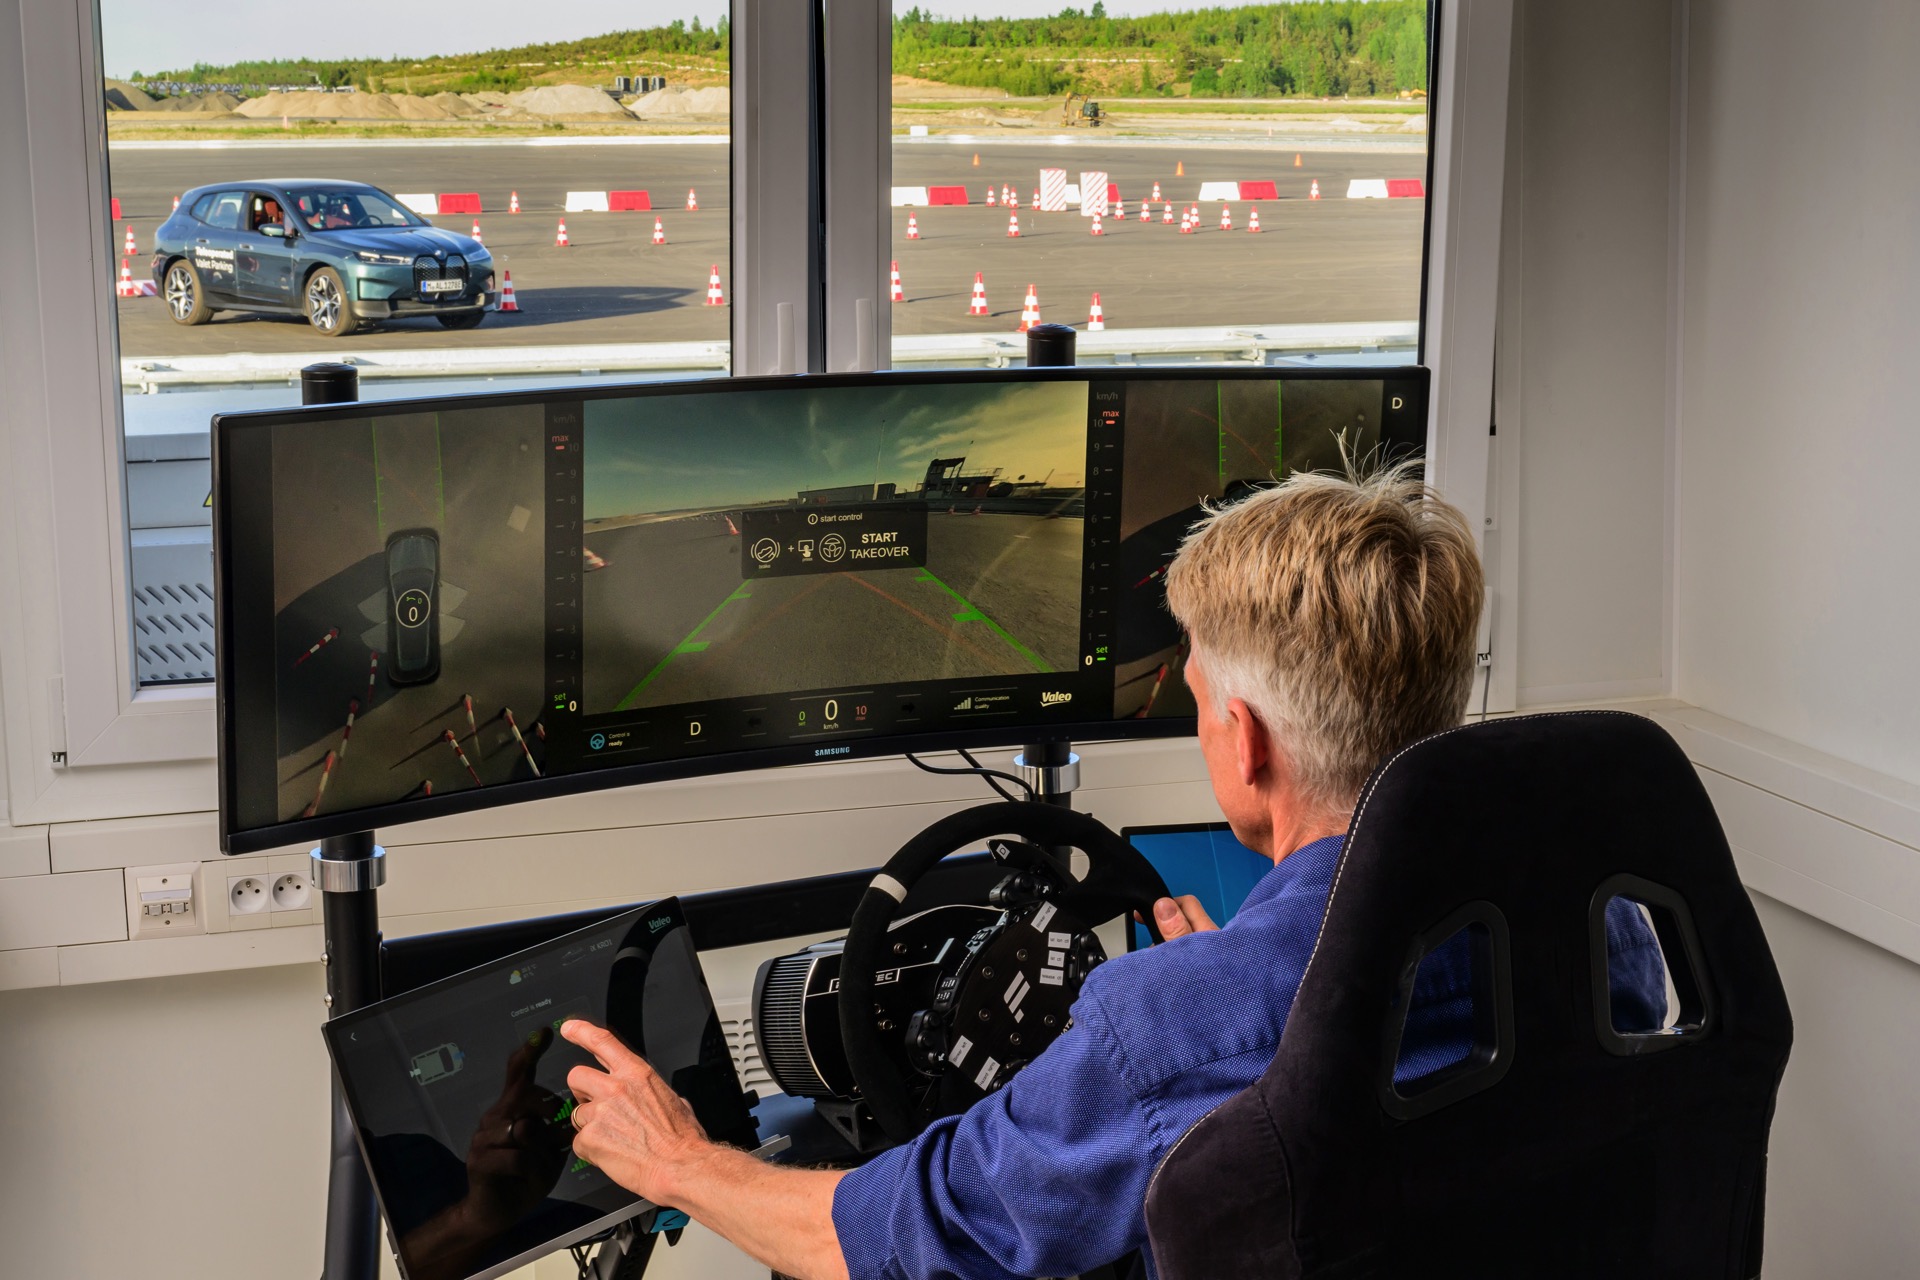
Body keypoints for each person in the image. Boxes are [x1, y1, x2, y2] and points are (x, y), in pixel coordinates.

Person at [558, 462, 1667, 1280]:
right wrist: (1256, 1026)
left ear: (1244, 740)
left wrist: (682, 1160)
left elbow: (887, 1237)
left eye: (1197, 697)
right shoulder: (1602, 930)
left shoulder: (1174, 1029)